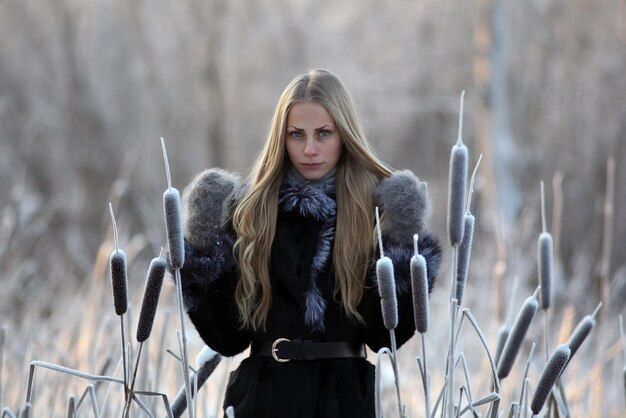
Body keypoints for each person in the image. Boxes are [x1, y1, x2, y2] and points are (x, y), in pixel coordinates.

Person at [179, 69, 441, 418]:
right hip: (261, 402)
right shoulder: (251, 212)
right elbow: (225, 338)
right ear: (281, 138)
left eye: (324, 133)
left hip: (345, 403)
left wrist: (403, 242)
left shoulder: (371, 212)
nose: (309, 149)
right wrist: (203, 242)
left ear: (343, 134)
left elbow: (388, 335)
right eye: (296, 134)